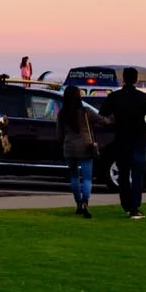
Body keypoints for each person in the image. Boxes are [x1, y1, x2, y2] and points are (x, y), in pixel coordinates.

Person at [98, 67, 146, 220]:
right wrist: (145, 128)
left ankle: (126, 203)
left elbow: (102, 115)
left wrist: (112, 125)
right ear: (136, 79)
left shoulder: (115, 97)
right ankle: (135, 206)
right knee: (137, 174)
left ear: (123, 79)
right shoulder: (143, 97)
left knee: (123, 174)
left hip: (121, 138)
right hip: (138, 139)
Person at [58, 84, 102, 218]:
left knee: (74, 177)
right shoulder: (86, 111)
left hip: (69, 147)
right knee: (87, 178)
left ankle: (77, 204)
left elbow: (59, 134)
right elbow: (102, 120)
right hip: (85, 147)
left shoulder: (62, 114)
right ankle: (85, 202)